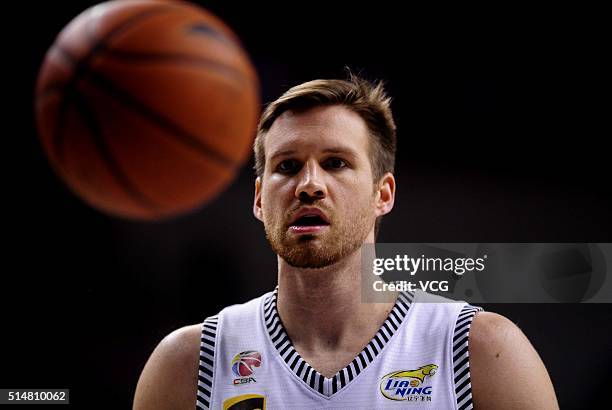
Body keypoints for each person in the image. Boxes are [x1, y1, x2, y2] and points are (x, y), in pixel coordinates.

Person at [133, 74, 559, 409]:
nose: (309, 185)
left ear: (383, 194)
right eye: (287, 166)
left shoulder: (477, 350)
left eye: (335, 163)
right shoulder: (190, 362)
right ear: (260, 200)